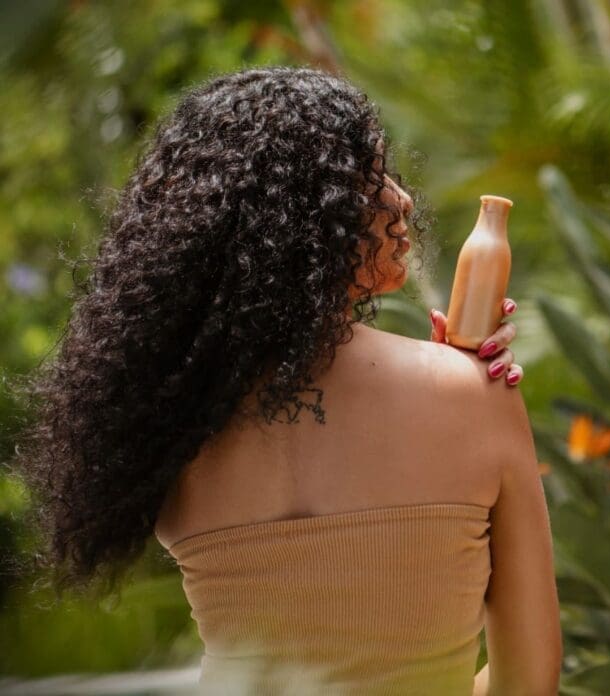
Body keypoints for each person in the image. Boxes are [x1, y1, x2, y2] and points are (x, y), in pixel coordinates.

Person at [10, 66, 561, 694]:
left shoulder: (172, 422)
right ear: (308, 213)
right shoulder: (475, 393)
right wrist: (458, 385)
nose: (402, 199)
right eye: (371, 175)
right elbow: (530, 682)